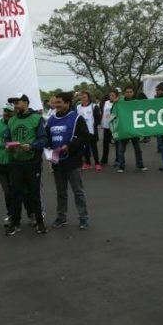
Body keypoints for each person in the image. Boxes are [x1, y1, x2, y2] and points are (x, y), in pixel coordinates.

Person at [4, 93, 48, 236]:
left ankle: (40, 224)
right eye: (14, 104)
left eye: (17, 103)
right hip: (16, 163)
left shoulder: (36, 118)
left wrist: (32, 146)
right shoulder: (11, 121)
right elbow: (7, 138)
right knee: (15, 194)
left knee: (34, 194)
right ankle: (15, 223)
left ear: (26, 103)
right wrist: (8, 145)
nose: (15, 106)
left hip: (32, 162)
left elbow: (43, 139)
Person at [47, 92, 91, 229]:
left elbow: (84, 137)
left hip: (73, 161)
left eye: (59, 102)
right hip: (57, 162)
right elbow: (47, 138)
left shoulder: (77, 118)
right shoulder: (51, 119)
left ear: (67, 103)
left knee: (78, 191)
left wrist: (69, 146)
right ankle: (61, 217)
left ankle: (84, 218)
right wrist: (48, 152)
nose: (56, 105)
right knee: (61, 192)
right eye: (55, 103)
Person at [115, 86, 146, 173]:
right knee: (121, 150)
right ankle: (121, 166)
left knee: (138, 149)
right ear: (124, 93)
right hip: (124, 129)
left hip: (134, 129)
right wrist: (115, 102)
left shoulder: (136, 102)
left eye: (130, 92)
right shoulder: (120, 102)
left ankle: (140, 165)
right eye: (127, 92)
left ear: (133, 93)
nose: (129, 93)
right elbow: (114, 111)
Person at [76, 91, 102, 171]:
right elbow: (76, 118)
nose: (83, 98)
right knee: (85, 148)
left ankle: (97, 163)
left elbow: (98, 118)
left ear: (88, 97)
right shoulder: (78, 107)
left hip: (91, 131)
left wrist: (93, 125)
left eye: (85, 97)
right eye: (82, 97)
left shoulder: (94, 106)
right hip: (82, 132)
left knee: (94, 148)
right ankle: (88, 163)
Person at [100, 91, 117, 166]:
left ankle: (118, 160)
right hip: (106, 126)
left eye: (113, 95)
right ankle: (104, 160)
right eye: (110, 95)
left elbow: (116, 114)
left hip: (114, 126)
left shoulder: (117, 103)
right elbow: (104, 113)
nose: (111, 96)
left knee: (117, 144)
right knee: (105, 144)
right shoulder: (106, 102)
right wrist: (102, 123)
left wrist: (110, 117)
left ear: (116, 96)